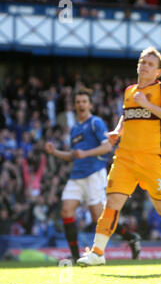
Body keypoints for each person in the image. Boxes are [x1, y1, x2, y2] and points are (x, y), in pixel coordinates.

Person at [77, 47, 161, 266]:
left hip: (152, 159)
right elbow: (126, 115)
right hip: (125, 158)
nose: (144, 65)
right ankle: (97, 253)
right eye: (142, 61)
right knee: (111, 203)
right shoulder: (130, 90)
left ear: (159, 71)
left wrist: (147, 104)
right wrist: (117, 131)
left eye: (150, 64)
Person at [44, 88, 141, 263]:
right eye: (78, 102)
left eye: (84, 101)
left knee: (99, 218)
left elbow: (107, 147)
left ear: (90, 105)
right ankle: (75, 256)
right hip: (76, 176)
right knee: (66, 211)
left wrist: (86, 153)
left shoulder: (96, 123)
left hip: (94, 174)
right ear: (75, 105)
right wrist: (55, 152)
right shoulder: (75, 128)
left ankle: (131, 237)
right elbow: (73, 155)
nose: (81, 105)